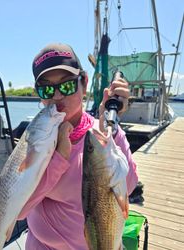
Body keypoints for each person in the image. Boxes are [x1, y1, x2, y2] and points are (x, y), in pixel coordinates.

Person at [17, 43, 138, 249]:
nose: (56, 95)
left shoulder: (99, 133)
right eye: (46, 89)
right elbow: (18, 209)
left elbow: (129, 183)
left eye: (66, 85)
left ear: (84, 83)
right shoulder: (36, 138)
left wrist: (111, 127)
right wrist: (58, 159)